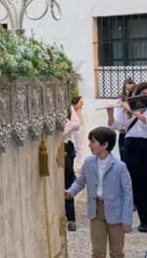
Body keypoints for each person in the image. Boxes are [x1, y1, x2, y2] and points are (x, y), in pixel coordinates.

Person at [65, 126, 134, 258]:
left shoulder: (120, 167)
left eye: (92, 142)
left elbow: (128, 194)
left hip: (116, 213)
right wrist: (71, 192)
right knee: (97, 251)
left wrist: (127, 219)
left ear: (104, 145)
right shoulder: (89, 162)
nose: (89, 145)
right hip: (96, 210)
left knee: (117, 251)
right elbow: (81, 181)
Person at [111, 82, 147, 232]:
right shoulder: (128, 110)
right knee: (137, 184)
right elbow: (117, 124)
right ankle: (144, 220)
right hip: (133, 147)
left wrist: (134, 110)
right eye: (144, 94)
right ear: (137, 95)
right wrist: (115, 111)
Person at [63, 96, 83, 231]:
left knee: (67, 182)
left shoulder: (67, 107)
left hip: (64, 147)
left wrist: (65, 126)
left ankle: (71, 218)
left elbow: (76, 124)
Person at [107, 78, 136, 160]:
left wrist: (128, 106)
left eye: (132, 90)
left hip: (136, 135)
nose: (129, 92)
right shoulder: (119, 102)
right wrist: (110, 114)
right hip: (124, 136)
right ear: (124, 89)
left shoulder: (138, 101)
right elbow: (114, 124)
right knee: (124, 160)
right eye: (127, 89)